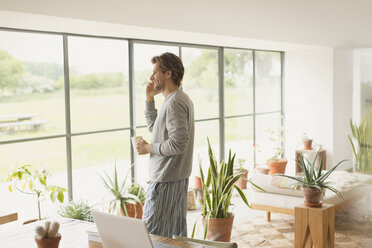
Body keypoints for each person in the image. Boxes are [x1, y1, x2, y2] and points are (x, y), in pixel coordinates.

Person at [136, 52, 195, 238]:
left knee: (148, 237)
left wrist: (147, 148)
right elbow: (156, 129)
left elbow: (177, 144)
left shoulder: (175, 102)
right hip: (172, 179)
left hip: (166, 181)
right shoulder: (175, 99)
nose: (152, 77)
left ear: (167, 73)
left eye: (155, 72)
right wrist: (149, 99)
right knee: (174, 238)